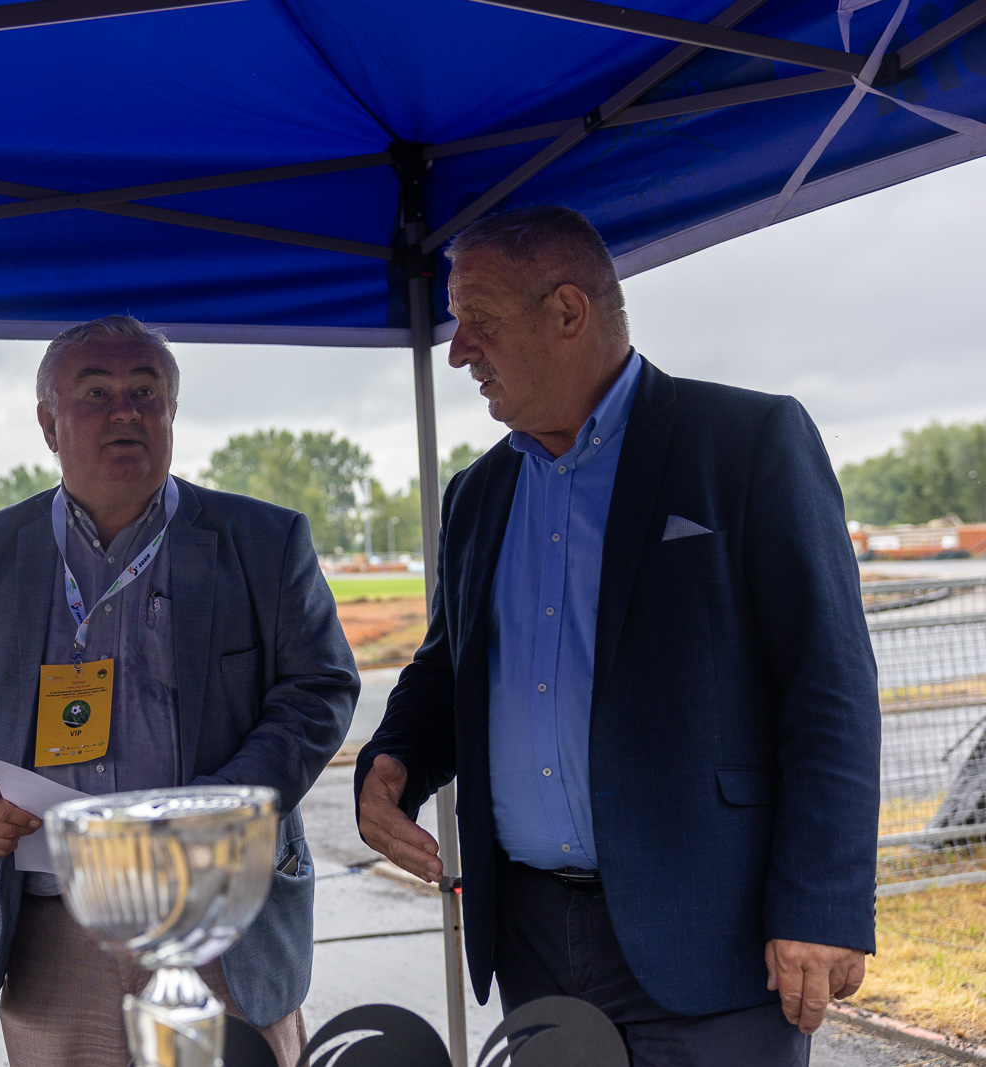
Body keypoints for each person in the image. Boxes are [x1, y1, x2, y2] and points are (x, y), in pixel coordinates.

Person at [355, 206, 880, 1065]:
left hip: (714, 938)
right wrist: (394, 762)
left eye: (479, 320)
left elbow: (830, 689)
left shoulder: (746, 442)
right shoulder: (476, 495)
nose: (457, 351)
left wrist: (822, 902)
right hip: (532, 943)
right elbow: (449, 670)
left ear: (569, 311)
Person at [0, 315, 358, 1067]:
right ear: (48, 423)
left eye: (146, 392)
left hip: (216, 916)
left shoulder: (264, 542)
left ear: (171, 412)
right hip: (52, 932)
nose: (125, 412)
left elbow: (320, 687)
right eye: (96, 393)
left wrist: (222, 807)